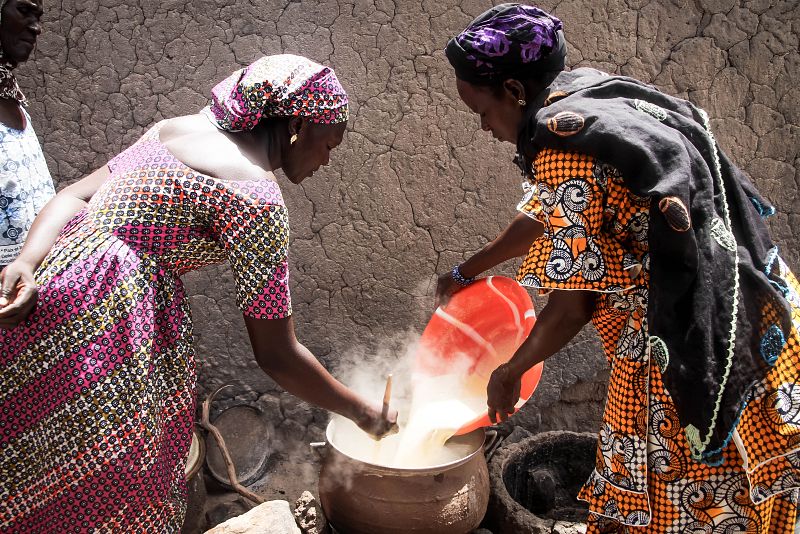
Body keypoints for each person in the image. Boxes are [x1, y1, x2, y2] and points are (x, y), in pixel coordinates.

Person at [438, 4, 798, 532]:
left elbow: (573, 306)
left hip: (682, 341)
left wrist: (510, 372)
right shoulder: (587, 101)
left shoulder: (561, 150)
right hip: (753, 305)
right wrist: (467, 271)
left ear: (513, 90)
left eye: (482, 112)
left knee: (677, 497)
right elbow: (549, 213)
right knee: (759, 480)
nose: (486, 128)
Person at [0, 54, 396, 532]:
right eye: (329, 144)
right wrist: (360, 411)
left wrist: (26, 262)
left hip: (48, 296)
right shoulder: (256, 199)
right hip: (108, 331)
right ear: (297, 126)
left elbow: (72, 196)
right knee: (107, 487)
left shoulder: (173, 131)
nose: (326, 160)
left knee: (29, 459)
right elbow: (277, 354)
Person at [0, 0, 55, 268]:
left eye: (38, 16)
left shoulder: (12, 96)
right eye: (24, 11)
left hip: (27, 275)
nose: (36, 28)